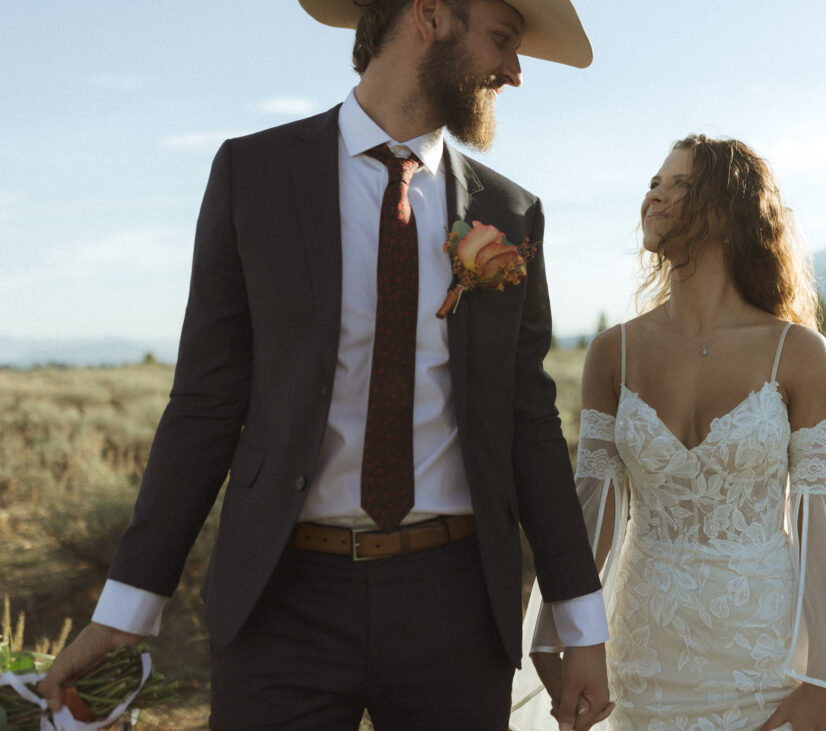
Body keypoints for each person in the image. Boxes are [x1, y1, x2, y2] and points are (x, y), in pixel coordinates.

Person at [39, 1, 614, 728]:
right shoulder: (254, 176)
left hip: (455, 603)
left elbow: (528, 420)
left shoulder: (510, 212)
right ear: (429, 17)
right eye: (502, 40)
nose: (514, 71)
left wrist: (581, 624)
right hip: (282, 600)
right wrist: (126, 609)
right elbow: (205, 404)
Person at [512, 136, 826, 730]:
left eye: (678, 184)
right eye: (653, 183)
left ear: (729, 210)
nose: (653, 195)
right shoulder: (615, 352)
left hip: (764, 648)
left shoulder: (798, 354)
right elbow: (595, 508)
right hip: (642, 647)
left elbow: (821, 519)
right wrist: (554, 630)